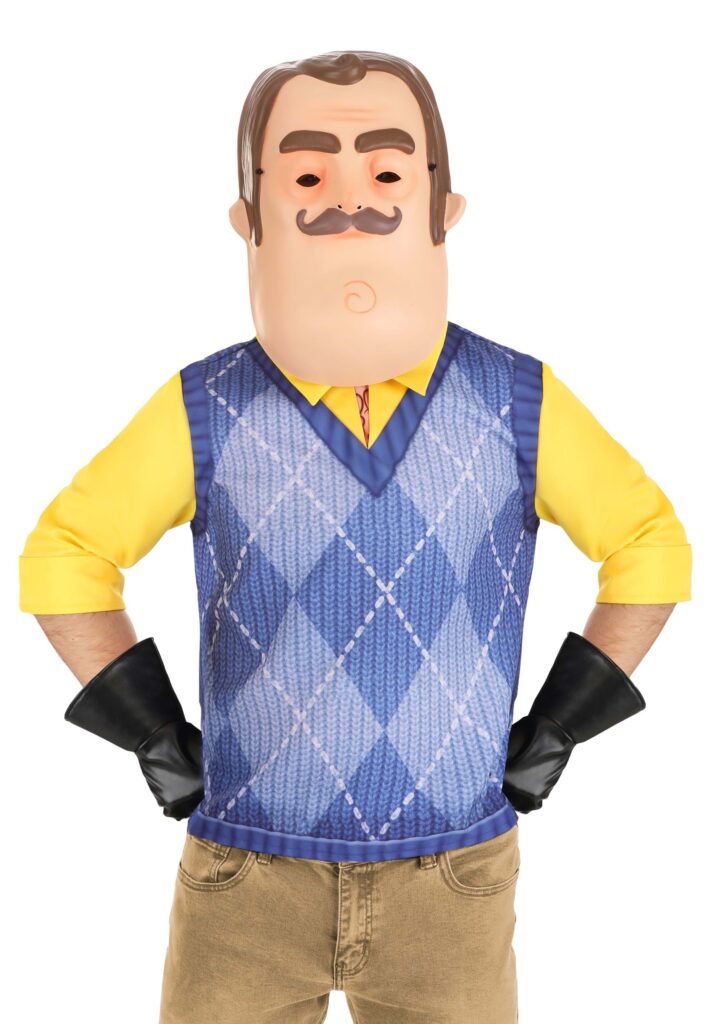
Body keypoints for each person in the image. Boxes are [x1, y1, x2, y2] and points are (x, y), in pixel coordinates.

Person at [19, 50, 692, 1024]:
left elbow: (649, 544)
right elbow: (65, 557)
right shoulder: (205, 405)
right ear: (249, 217)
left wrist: (558, 729)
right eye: (305, 174)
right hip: (245, 874)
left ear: (441, 207)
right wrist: (154, 736)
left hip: (452, 878)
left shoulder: (518, 401)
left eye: (385, 169)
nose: (349, 199)